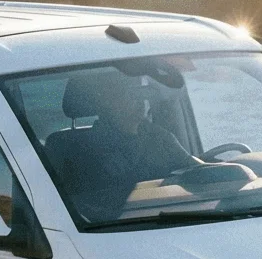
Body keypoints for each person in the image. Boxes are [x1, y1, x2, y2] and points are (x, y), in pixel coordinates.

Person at [47, 68, 203, 222]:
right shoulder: (76, 149)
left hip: (171, 218)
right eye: (129, 94)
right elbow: (77, 209)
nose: (140, 100)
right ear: (107, 101)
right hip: (111, 227)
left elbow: (197, 172)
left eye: (141, 93)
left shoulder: (160, 138)